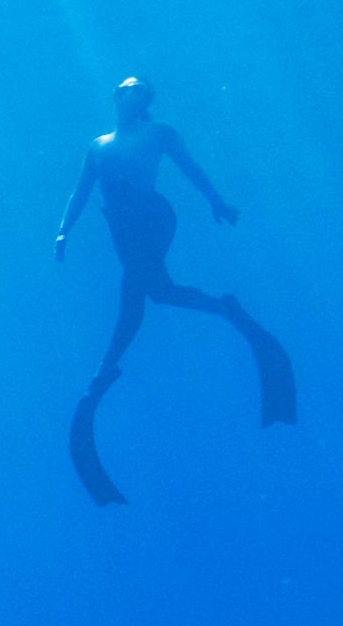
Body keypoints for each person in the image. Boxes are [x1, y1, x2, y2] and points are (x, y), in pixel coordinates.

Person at [52, 76, 294, 503]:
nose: (138, 93)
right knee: (156, 292)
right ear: (116, 95)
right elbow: (80, 192)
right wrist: (62, 232)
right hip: (121, 228)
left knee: (136, 292)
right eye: (130, 87)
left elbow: (190, 167)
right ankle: (224, 309)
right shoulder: (98, 145)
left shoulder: (159, 133)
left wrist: (216, 201)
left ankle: (105, 370)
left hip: (151, 217)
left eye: (143, 90)